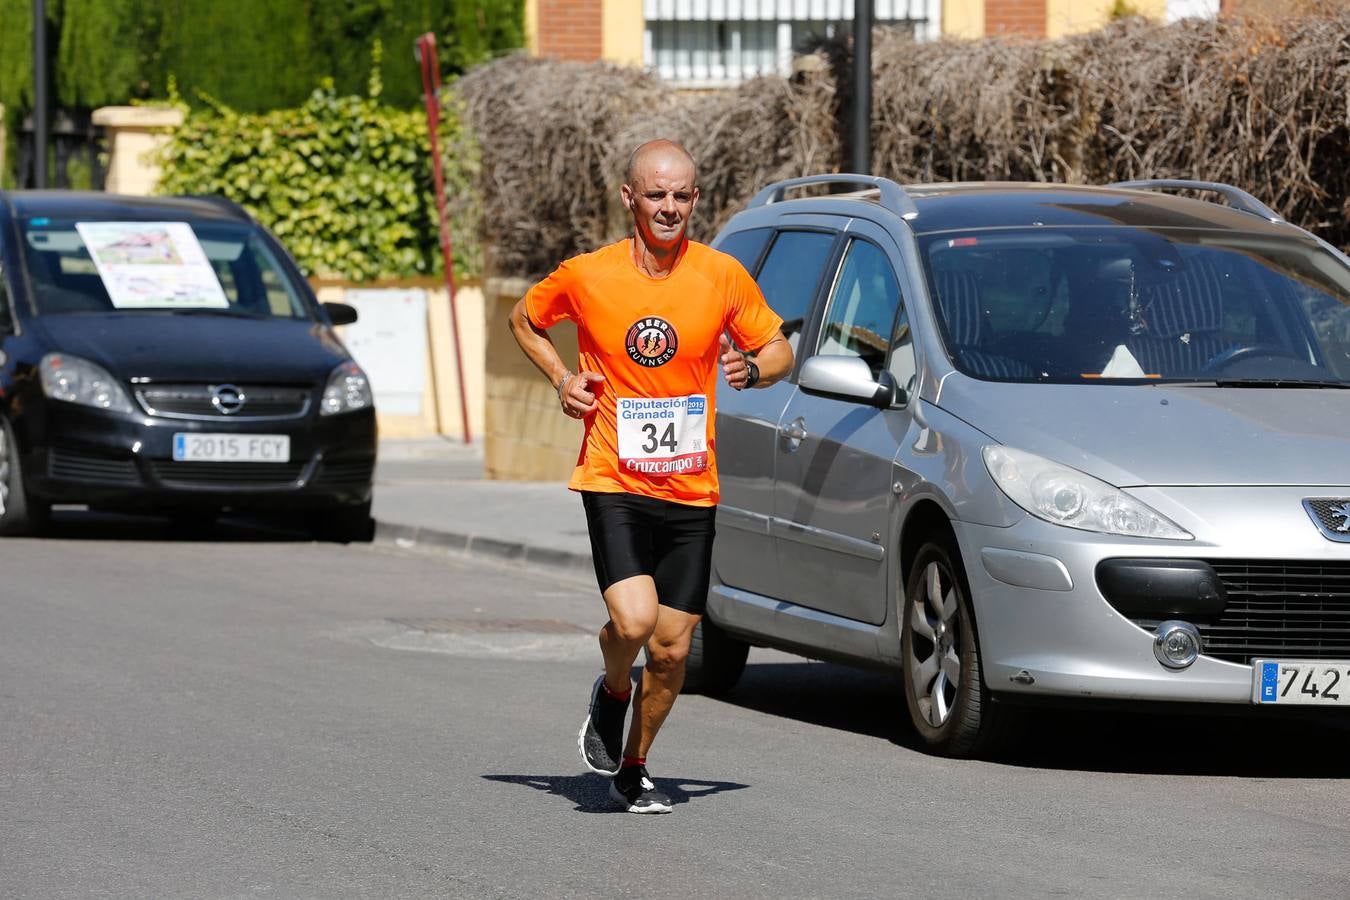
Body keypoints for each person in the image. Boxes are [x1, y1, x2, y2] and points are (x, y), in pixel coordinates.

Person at [508, 139, 793, 814]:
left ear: (696, 199)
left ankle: (634, 767)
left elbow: (778, 347)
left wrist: (754, 369)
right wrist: (562, 379)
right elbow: (525, 318)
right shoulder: (588, 274)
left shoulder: (721, 276)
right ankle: (612, 689)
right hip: (614, 476)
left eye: (682, 195)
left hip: (691, 486)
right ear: (629, 197)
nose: (670, 207)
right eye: (657, 194)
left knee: (671, 651)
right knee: (633, 623)